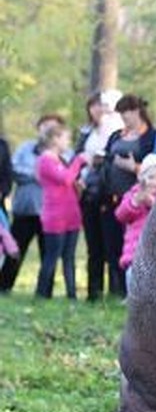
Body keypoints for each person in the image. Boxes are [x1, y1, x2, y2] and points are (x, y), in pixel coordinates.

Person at [0, 114, 64, 293]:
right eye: (45, 126)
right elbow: (14, 170)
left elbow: (66, 176)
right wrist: (43, 174)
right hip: (25, 209)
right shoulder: (25, 148)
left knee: (48, 254)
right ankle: (4, 286)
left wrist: (42, 175)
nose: (48, 130)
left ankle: (45, 291)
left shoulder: (65, 152)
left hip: (50, 212)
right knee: (14, 248)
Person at [100, 96, 156, 298]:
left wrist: (134, 167)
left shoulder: (151, 136)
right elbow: (107, 158)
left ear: (138, 111)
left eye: (128, 112)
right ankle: (114, 288)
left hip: (138, 201)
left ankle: (134, 291)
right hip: (113, 198)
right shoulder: (116, 136)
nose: (125, 117)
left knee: (135, 246)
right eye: (121, 113)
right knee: (112, 245)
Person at [77, 90, 124, 301]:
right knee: (93, 246)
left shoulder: (117, 131)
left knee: (112, 246)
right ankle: (93, 292)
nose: (100, 110)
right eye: (96, 105)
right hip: (88, 193)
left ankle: (115, 291)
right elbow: (77, 158)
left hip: (108, 193)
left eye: (103, 105)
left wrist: (100, 160)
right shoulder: (86, 132)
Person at [35, 120, 87, 299]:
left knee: (69, 258)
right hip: (55, 217)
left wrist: (77, 186)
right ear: (55, 139)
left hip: (71, 214)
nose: (68, 143)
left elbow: (68, 183)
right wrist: (79, 160)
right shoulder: (45, 160)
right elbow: (64, 179)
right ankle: (42, 294)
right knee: (51, 257)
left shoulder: (61, 160)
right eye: (65, 139)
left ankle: (71, 295)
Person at [114, 153, 156, 295]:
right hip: (135, 254)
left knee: (155, 292)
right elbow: (120, 215)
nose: (154, 182)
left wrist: (155, 205)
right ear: (141, 178)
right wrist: (137, 201)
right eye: (150, 177)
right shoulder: (132, 195)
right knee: (134, 284)